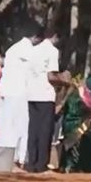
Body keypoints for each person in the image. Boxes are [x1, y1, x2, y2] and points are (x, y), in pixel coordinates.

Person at [0, 24, 43, 172]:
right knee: (19, 128)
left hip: (6, 92)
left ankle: (4, 162)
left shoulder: (12, 49)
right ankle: (15, 163)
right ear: (36, 38)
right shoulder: (27, 49)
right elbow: (37, 70)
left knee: (5, 127)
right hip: (18, 92)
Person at [26, 29, 67, 173]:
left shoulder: (33, 50)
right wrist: (64, 81)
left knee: (33, 129)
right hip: (45, 94)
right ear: (55, 36)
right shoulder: (52, 51)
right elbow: (51, 76)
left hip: (31, 94)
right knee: (45, 131)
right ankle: (42, 164)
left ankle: (32, 163)